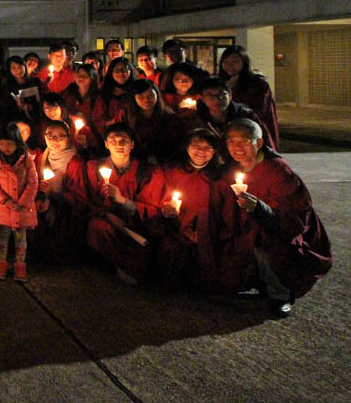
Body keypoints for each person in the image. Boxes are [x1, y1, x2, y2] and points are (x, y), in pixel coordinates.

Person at [216, 119, 331, 315]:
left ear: (259, 143)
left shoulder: (278, 172)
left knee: (265, 246)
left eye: (244, 141)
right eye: (231, 142)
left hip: (277, 232)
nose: (237, 147)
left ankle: (281, 296)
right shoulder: (230, 170)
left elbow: (294, 217)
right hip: (244, 229)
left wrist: (259, 208)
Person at [136, 129, 224, 290]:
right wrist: (164, 211)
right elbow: (147, 202)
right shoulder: (169, 171)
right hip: (172, 228)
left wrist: (201, 231)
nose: (200, 151)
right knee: (169, 248)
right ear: (187, 147)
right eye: (196, 145)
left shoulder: (220, 177)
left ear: (214, 152)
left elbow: (222, 211)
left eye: (207, 148)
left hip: (205, 231)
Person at [85, 123, 152, 285]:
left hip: (134, 220)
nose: (119, 145)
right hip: (106, 219)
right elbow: (90, 200)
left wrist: (122, 200)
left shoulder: (144, 171)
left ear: (132, 144)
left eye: (124, 141)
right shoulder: (94, 168)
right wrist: (107, 214)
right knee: (98, 228)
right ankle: (124, 266)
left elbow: (150, 205)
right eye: (113, 141)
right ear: (106, 144)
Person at [0, 123, 38, 282]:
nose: (6, 147)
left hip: (22, 207)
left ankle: (20, 264)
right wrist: (5, 200)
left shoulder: (27, 160)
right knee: (2, 236)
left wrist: (22, 202)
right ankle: (2, 262)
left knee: (20, 237)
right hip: (4, 208)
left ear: (18, 143)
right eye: (2, 143)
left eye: (10, 143)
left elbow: (32, 182)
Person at [33, 120, 89, 264]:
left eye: (60, 136)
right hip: (45, 200)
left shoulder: (75, 161)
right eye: (50, 136)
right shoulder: (42, 156)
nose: (54, 140)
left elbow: (79, 197)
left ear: (68, 138)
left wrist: (53, 194)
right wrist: (41, 197)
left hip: (65, 208)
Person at [219, 45, 279, 149]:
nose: (230, 65)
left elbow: (260, 110)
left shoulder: (257, 84)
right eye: (226, 62)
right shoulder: (221, 83)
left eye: (235, 61)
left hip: (250, 131)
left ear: (244, 62)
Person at [194, 77, 275, 151]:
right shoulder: (196, 119)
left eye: (221, 94)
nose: (216, 99)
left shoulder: (246, 116)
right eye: (210, 95)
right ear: (202, 98)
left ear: (230, 95)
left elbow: (266, 144)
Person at [124, 79, 181, 164]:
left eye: (151, 95)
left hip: (164, 161)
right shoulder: (126, 116)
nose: (146, 100)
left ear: (157, 95)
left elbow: (174, 142)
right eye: (141, 96)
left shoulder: (168, 116)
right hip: (135, 160)